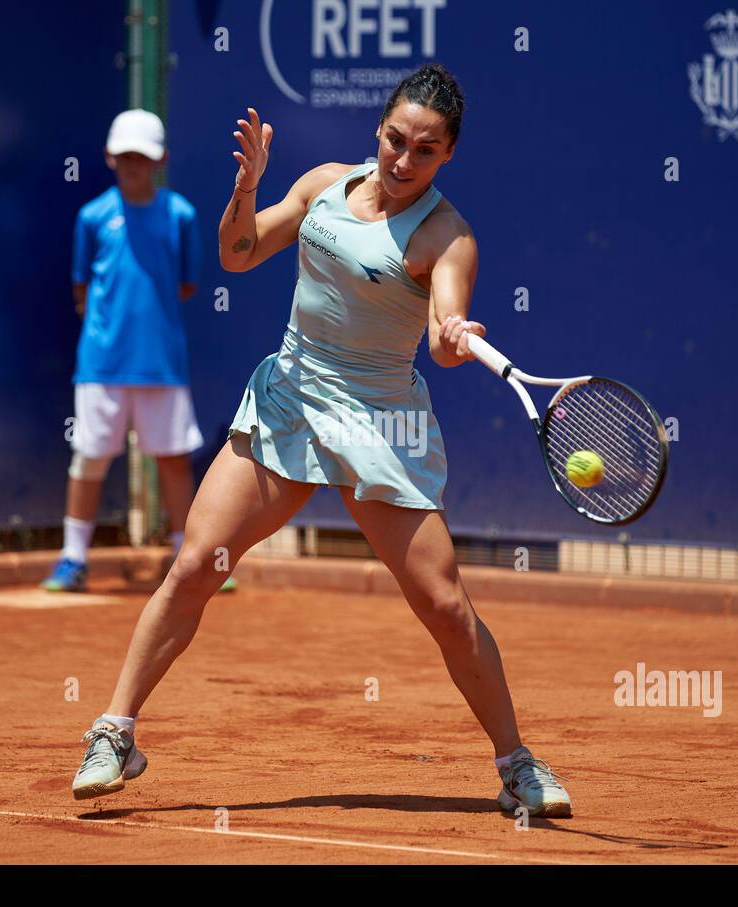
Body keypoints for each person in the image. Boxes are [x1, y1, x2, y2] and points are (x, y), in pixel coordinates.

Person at [70, 66, 571, 817]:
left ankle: (517, 764)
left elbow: (440, 334)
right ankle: (114, 731)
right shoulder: (323, 186)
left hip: (379, 422)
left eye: (425, 151)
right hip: (290, 401)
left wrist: (453, 331)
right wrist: (248, 187)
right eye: (397, 141)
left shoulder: (448, 236)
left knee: (445, 607)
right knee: (195, 566)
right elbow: (237, 253)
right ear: (378, 131)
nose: (405, 162)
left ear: (448, 156)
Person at [43, 109, 218, 593]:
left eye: (142, 157)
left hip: (163, 366)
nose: (132, 165)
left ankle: (188, 559)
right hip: (102, 366)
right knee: (89, 460)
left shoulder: (180, 215)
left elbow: (185, 284)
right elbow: (82, 288)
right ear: (109, 157)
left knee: (173, 461)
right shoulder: (92, 217)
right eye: (124, 157)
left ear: (160, 159)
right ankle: (73, 558)